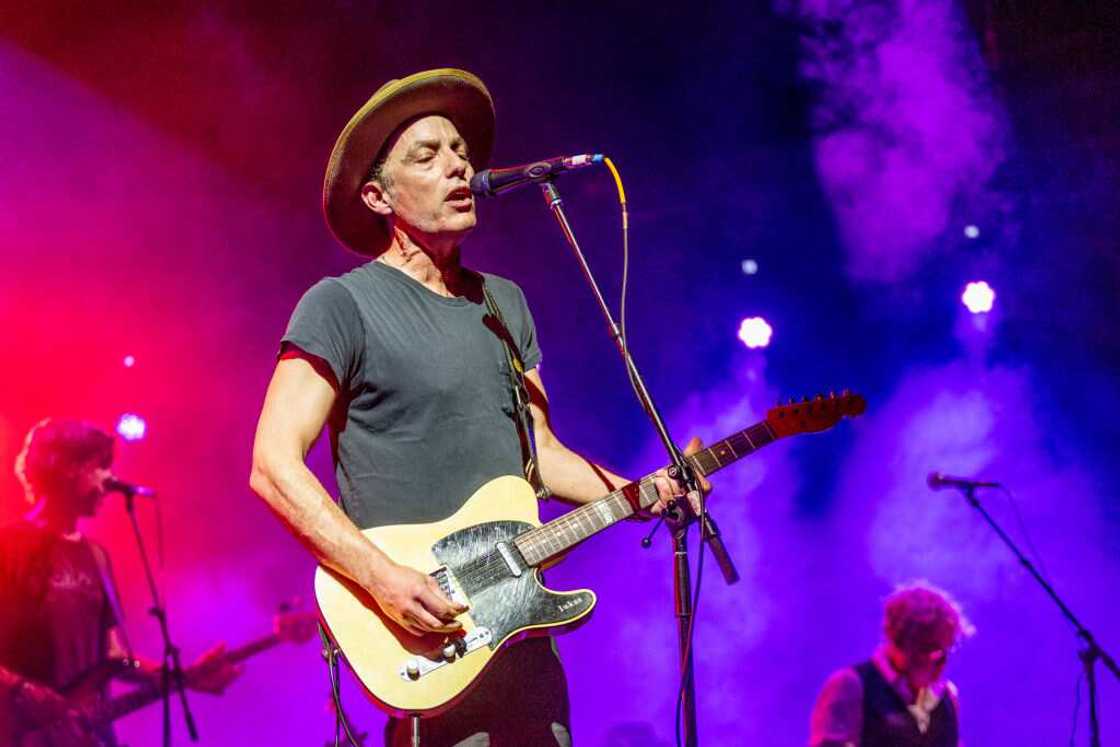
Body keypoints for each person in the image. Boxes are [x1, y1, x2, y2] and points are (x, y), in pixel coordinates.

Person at [249, 68, 706, 746]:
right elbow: (271, 464)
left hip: (522, 630)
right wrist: (381, 576)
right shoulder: (341, 304)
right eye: (427, 155)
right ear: (378, 195)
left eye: (461, 151)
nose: (458, 165)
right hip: (423, 632)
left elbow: (543, 457)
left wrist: (646, 491)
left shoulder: (504, 303)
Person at [0, 418, 242, 746]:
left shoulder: (96, 557)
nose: (110, 478)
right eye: (100, 466)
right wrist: (19, 689)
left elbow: (115, 658)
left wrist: (184, 677)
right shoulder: (9, 544)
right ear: (69, 467)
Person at [809, 581, 974, 747]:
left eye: (946, 650)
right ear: (905, 644)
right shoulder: (852, 686)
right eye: (932, 650)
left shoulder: (947, 696)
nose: (942, 662)